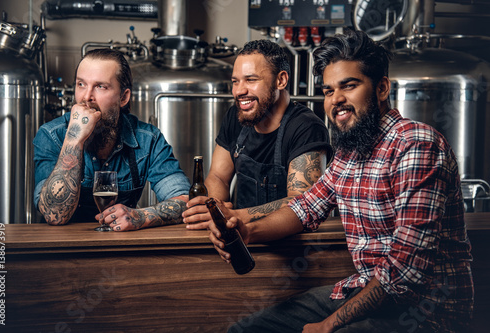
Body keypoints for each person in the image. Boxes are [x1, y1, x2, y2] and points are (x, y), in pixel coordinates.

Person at [209, 29, 474, 333]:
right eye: (328, 91)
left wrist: (328, 325)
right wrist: (247, 231)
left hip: (426, 313)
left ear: (382, 88)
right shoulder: (348, 152)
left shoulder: (416, 145)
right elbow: (305, 208)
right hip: (365, 289)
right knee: (246, 330)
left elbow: (404, 270)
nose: (337, 100)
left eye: (349, 86)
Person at [33, 48, 190, 231]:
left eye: (100, 86)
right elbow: (54, 214)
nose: (86, 97)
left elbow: (185, 202)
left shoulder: (148, 140)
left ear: (123, 97)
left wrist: (140, 216)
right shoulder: (51, 135)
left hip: (121, 249)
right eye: (81, 84)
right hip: (63, 251)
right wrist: (74, 139)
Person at [183, 39, 332, 229]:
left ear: (281, 80)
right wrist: (215, 212)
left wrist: (233, 215)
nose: (239, 91)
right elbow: (218, 176)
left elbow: (301, 202)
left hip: (292, 246)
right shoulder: (235, 117)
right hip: (240, 236)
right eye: (235, 82)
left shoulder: (306, 128)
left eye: (251, 80)